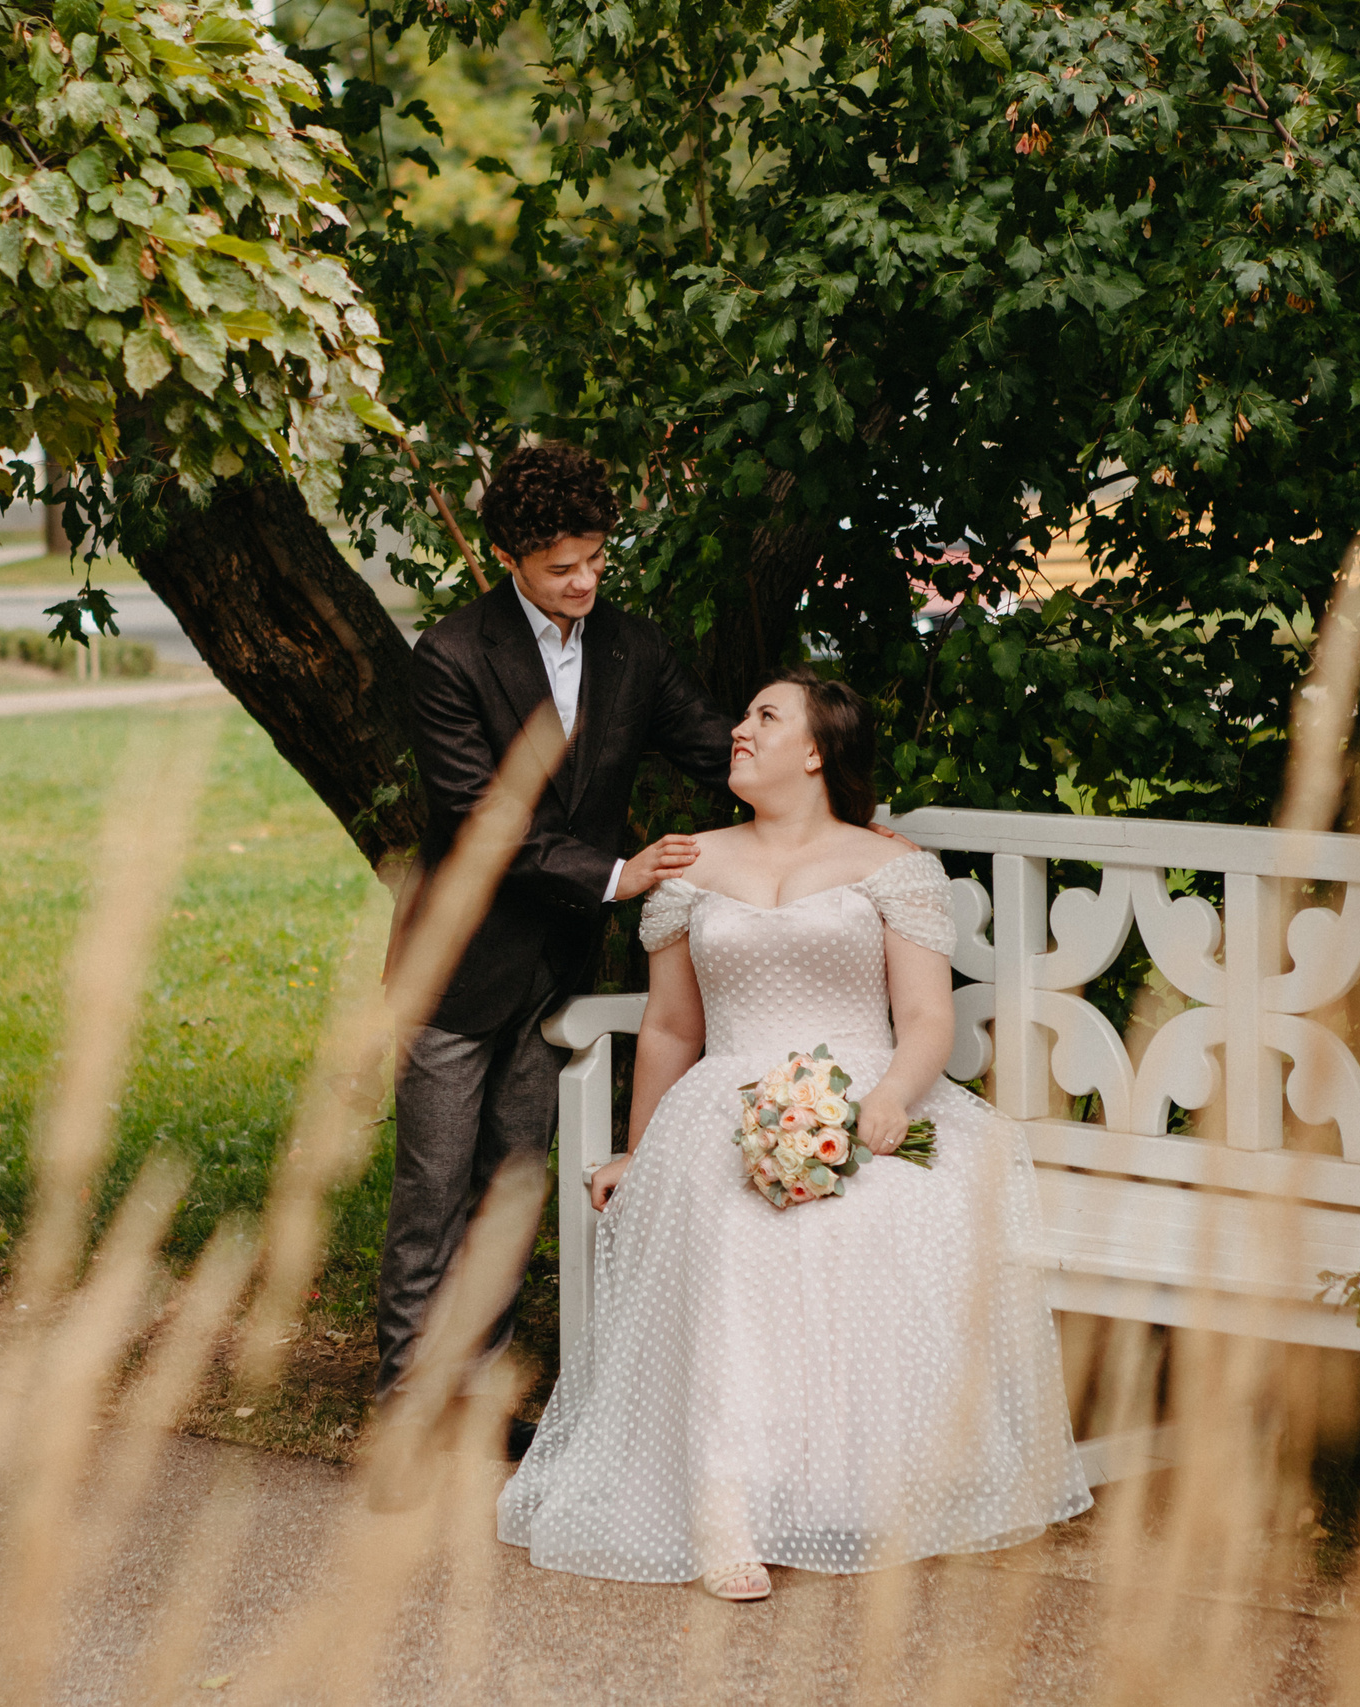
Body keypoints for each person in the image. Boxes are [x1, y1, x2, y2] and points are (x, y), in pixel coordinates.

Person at [496, 668, 1090, 1599]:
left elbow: (925, 1016)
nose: (740, 729)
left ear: (816, 750)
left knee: (879, 1219)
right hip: (725, 1103)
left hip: (867, 1095)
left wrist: (890, 1099)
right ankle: (726, 1505)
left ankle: (860, 1490)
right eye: (742, 715)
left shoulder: (889, 865)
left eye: (765, 717)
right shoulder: (692, 865)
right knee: (730, 1225)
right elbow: (672, 1029)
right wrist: (640, 1150)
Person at [378, 442, 734, 1444]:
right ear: (508, 558)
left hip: (553, 975)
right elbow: (481, 817)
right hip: (456, 969)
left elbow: (714, 744)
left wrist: (827, 791)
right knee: (431, 1194)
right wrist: (619, 875)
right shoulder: (451, 656)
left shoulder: (634, 648)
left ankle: (478, 1403)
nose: (584, 583)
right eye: (560, 567)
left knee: (510, 1189)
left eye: (596, 560)